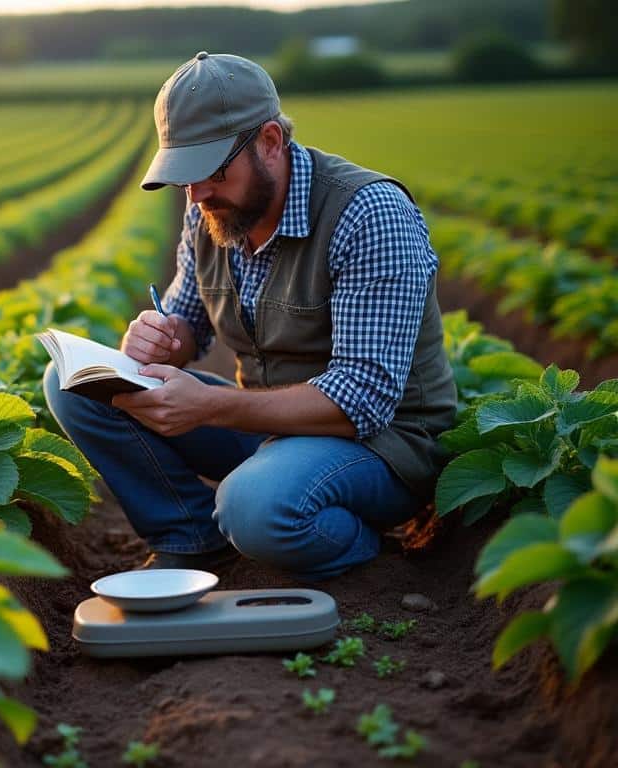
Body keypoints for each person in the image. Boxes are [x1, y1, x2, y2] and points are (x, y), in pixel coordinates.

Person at [43, 52, 456, 581]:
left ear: (269, 142)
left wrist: (210, 405)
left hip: (382, 447)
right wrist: (166, 340)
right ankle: (192, 536)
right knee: (72, 384)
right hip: (270, 431)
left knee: (253, 509)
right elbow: (188, 320)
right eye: (183, 176)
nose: (196, 195)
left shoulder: (367, 213)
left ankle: (360, 548)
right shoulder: (211, 211)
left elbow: (362, 401)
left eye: (212, 171)